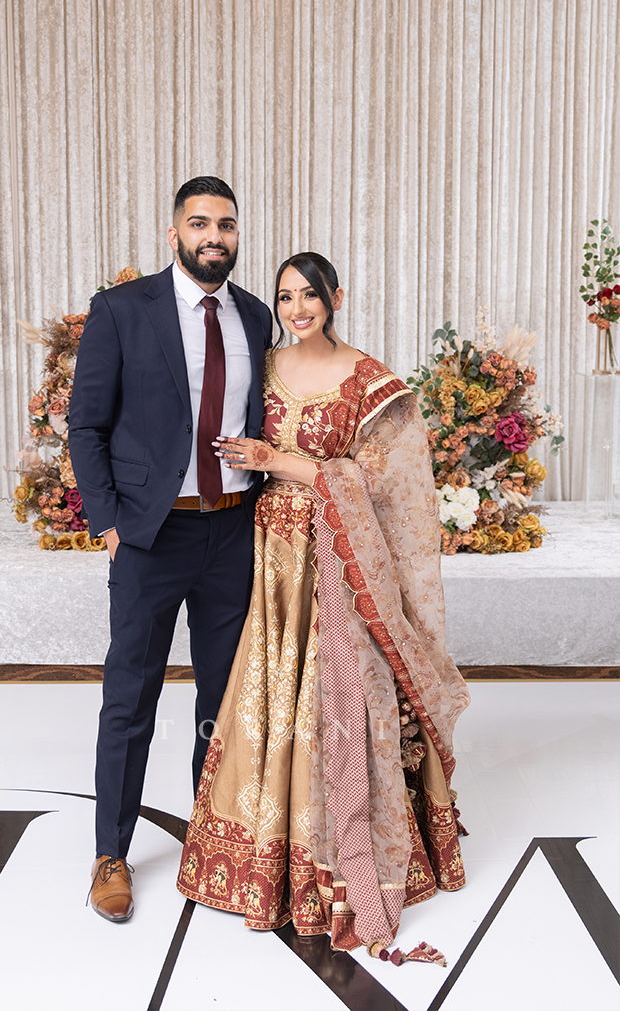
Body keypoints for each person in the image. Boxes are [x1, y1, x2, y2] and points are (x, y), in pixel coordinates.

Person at [176, 252, 470, 960]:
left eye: (309, 295)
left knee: (333, 699)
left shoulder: (371, 382)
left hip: (339, 560)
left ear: (336, 296)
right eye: (285, 297)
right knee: (268, 692)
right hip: (269, 557)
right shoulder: (262, 367)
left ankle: (339, 858)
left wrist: (278, 461)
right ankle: (263, 855)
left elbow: (388, 485)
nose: (297, 308)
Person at [69, 176, 273, 923]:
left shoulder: (256, 316)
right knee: (131, 697)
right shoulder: (123, 310)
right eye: (199, 223)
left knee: (222, 700)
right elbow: (86, 424)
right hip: (151, 536)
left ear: (237, 234)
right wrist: (109, 522)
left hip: (233, 531)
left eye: (226, 224)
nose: (214, 236)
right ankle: (111, 853)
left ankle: (213, 843)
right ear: (174, 233)